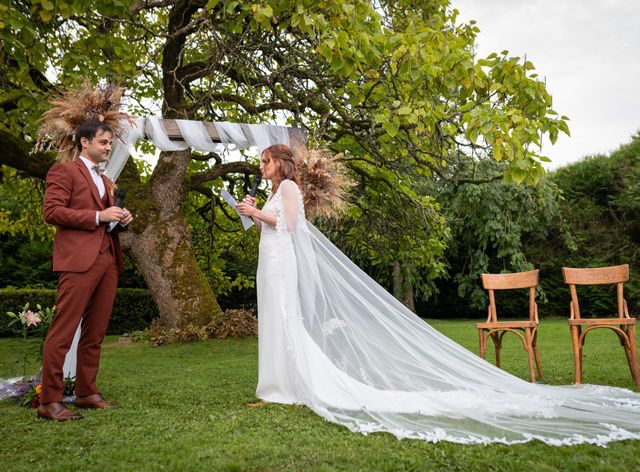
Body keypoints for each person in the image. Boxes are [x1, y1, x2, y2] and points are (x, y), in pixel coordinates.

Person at [237, 143, 640, 446]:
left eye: (265, 161)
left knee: (286, 317)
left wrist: (258, 214)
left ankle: (288, 386)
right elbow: (270, 227)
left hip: (282, 263)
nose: (262, 166)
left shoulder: (289, 187)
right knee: (275, 319)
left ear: (282, 164)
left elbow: (288, 225)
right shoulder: (274, 192)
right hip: (269, 261)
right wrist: (253, 214)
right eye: (262, 162)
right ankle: (278, 386)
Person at [38, 119, 133, 421]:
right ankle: (49, 401)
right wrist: (98, 215)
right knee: (64, 331)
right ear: (84, 142)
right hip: (78, 261)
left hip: (108, 260)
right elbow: (52, 212)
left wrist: (121, 217)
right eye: (104, 142)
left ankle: (86, 393)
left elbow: (107, 218)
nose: (108, 148)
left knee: (95, 333)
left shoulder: (106, 181)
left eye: (109, 143)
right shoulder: (64, 172)